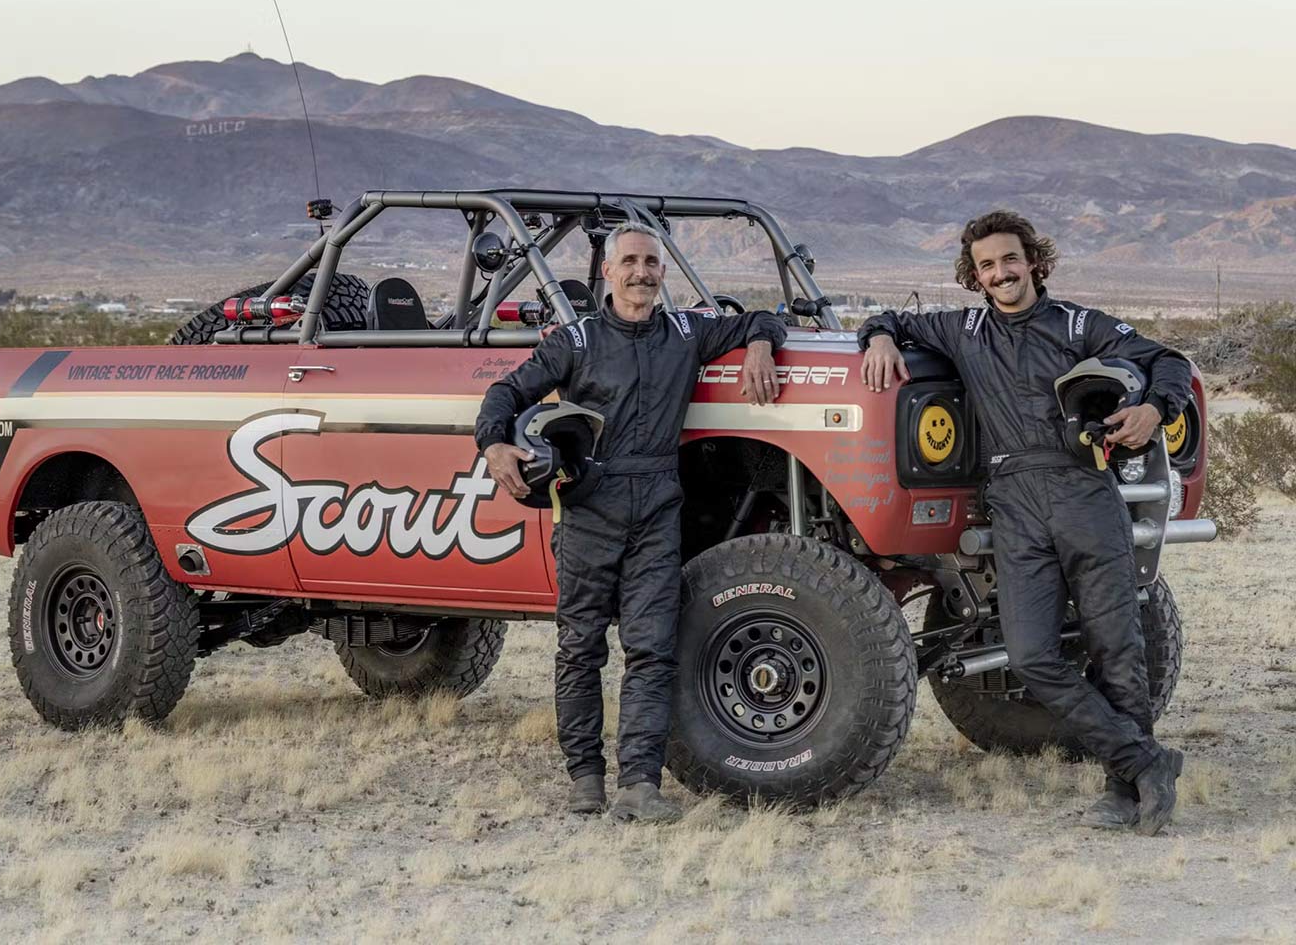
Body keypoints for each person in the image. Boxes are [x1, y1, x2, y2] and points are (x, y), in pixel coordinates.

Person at [858, 209, 1190, 836]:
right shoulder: (962, 329)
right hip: (1013, 502)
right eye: (987, 266)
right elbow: (890, 319)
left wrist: (1152, 407)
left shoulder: (1078, 323)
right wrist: (878, 338)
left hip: (1084, 490)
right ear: (974, 276)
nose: (1001, 273)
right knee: (1034, 654)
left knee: (1116, 648)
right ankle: (1147, 761)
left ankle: (1126, 791)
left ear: (1034, 260)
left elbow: (1167, 359)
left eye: (1011, 259)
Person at [475, 222, 787, 822]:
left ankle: (639, 785)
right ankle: (585, 778)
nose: (642, 272)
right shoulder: (578, 340)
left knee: (652, 649)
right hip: (590, 503)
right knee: (580, 648)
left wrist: (759, 346)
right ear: (609, 273)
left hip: (658, 507)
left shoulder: (687, 331)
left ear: (662, 273)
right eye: (631, 263)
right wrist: (494, 446)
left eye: (652, 262)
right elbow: (505, 393)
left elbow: (760, 318)